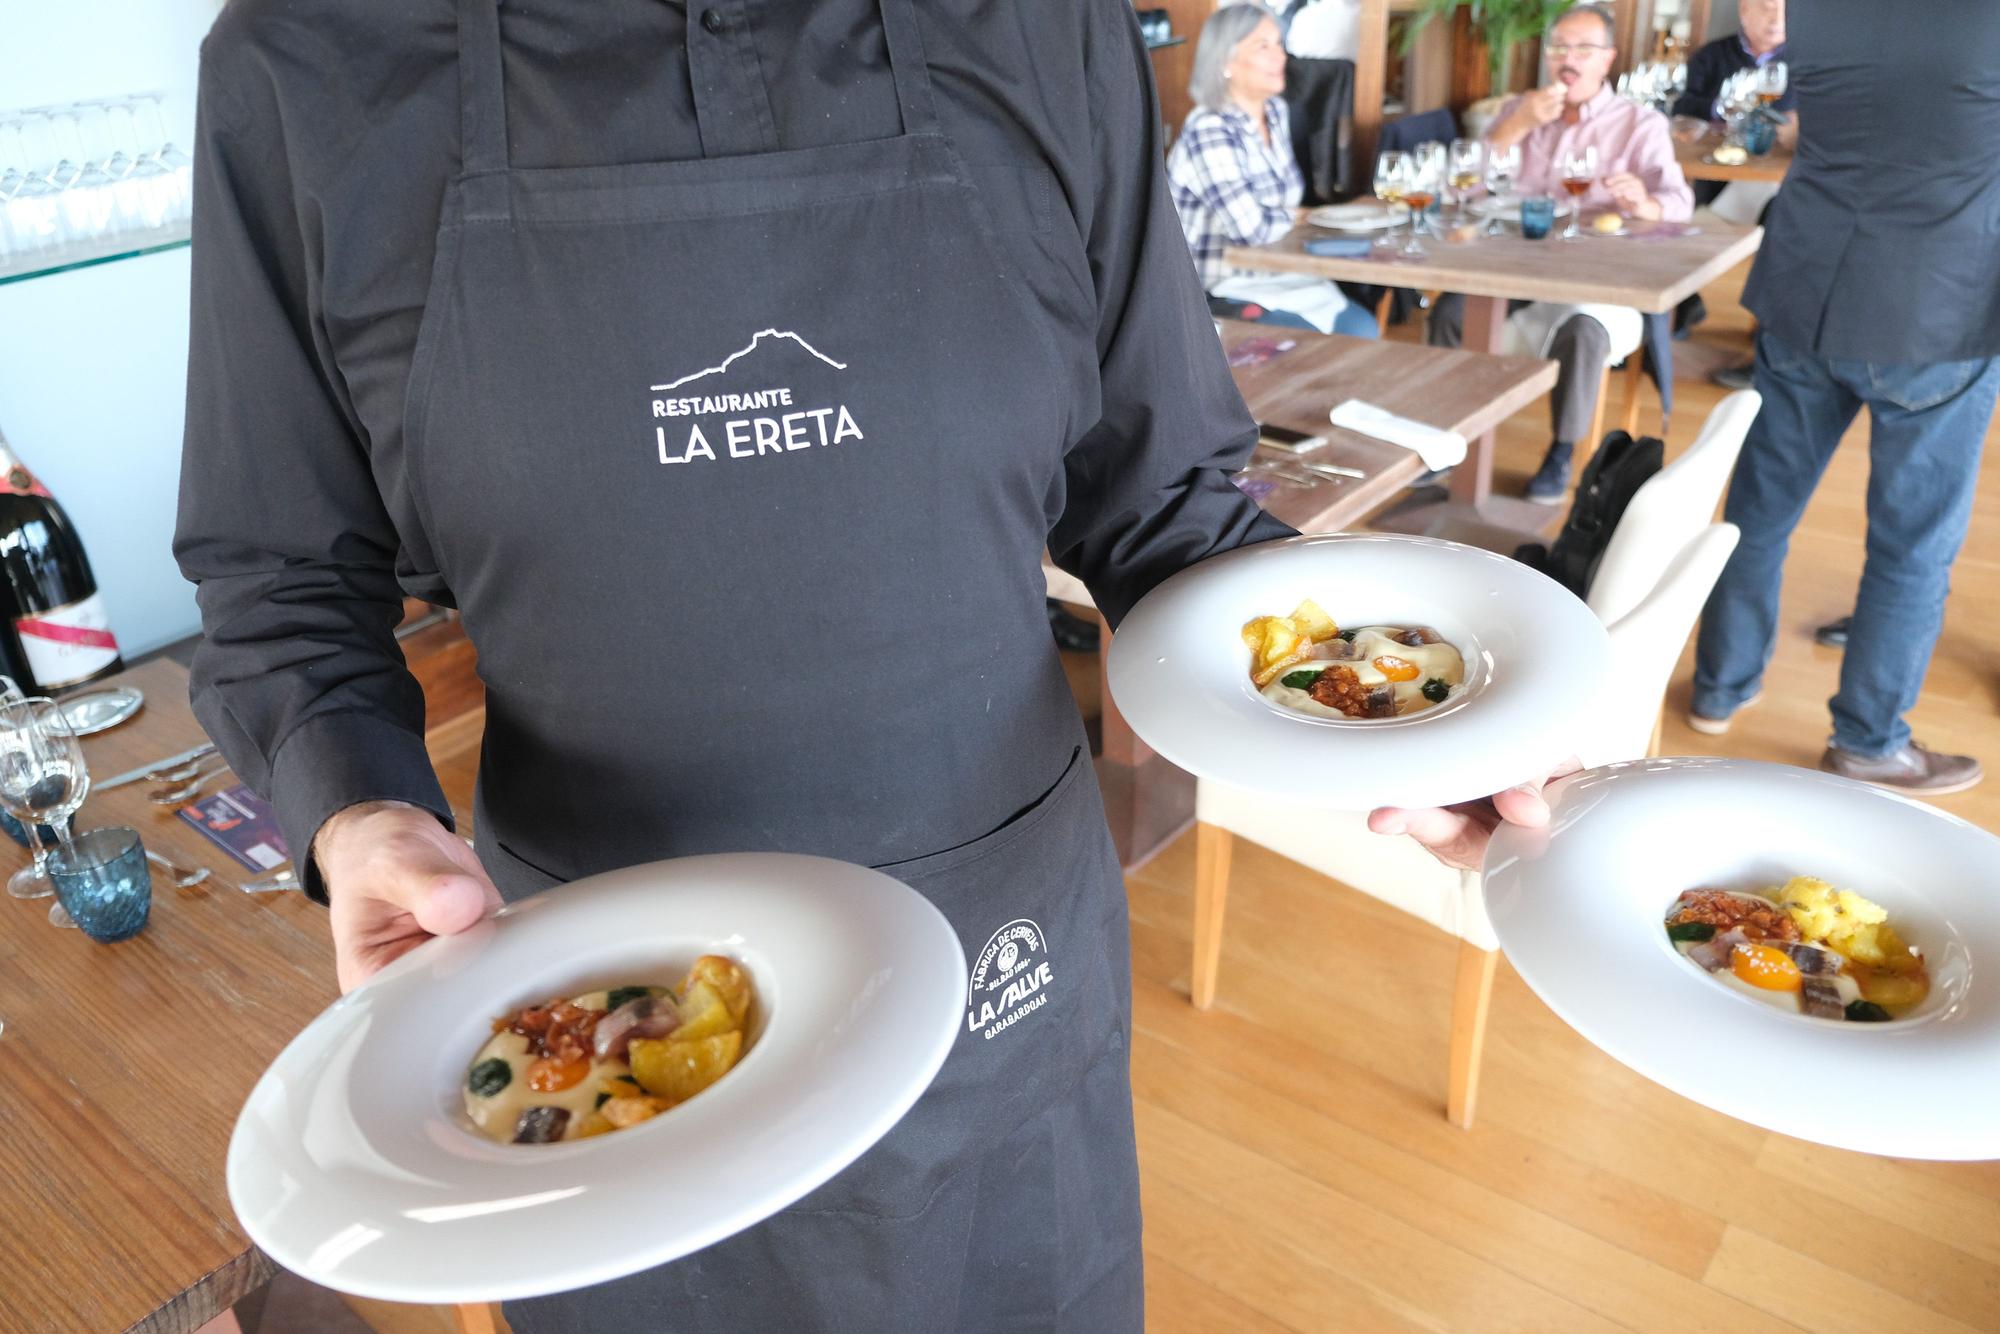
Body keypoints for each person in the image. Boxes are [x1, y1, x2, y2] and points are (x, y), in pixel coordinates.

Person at [173, 0, 1519, 1329]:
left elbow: (1160, 496)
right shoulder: (308, 61)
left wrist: (1415, 706)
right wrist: (362, 812)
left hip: (997, 961)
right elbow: (280, 572)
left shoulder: (1042, 27)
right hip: (597, 1028)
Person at [1687, 0, 2000, 796]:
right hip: (1937, 307)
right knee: (1912, 542)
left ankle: (1720, 687)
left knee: (1758, 511)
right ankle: (1868, 741)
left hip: (1807, 286)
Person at [1425, 2, 1693, 504]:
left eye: (1583, 49)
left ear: (1607, 59)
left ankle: (1561, 450)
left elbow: (1679, 205)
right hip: (1513, 271)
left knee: (1583, 332)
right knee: (1451, 312)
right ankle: (1449, 437)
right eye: (1559, 48)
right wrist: (1514, 127)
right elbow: (1458, 192)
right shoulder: (1521, 112)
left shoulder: (1639, 123)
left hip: (1599, 282)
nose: (1568, 59)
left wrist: (1645, 202)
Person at [1166, 4, 1380, 338]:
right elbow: (1250, 230)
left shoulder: (1275, 114)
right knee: (1344, 340)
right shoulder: (1210, 128)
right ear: (1225, 61)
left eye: (1278, 44)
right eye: (1262, 46)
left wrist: (1294, 215)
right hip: (1222, 287)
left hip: (1280, 272)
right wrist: (1299, 216)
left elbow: (1274, 214)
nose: (1280, 56)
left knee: (1362, 326)